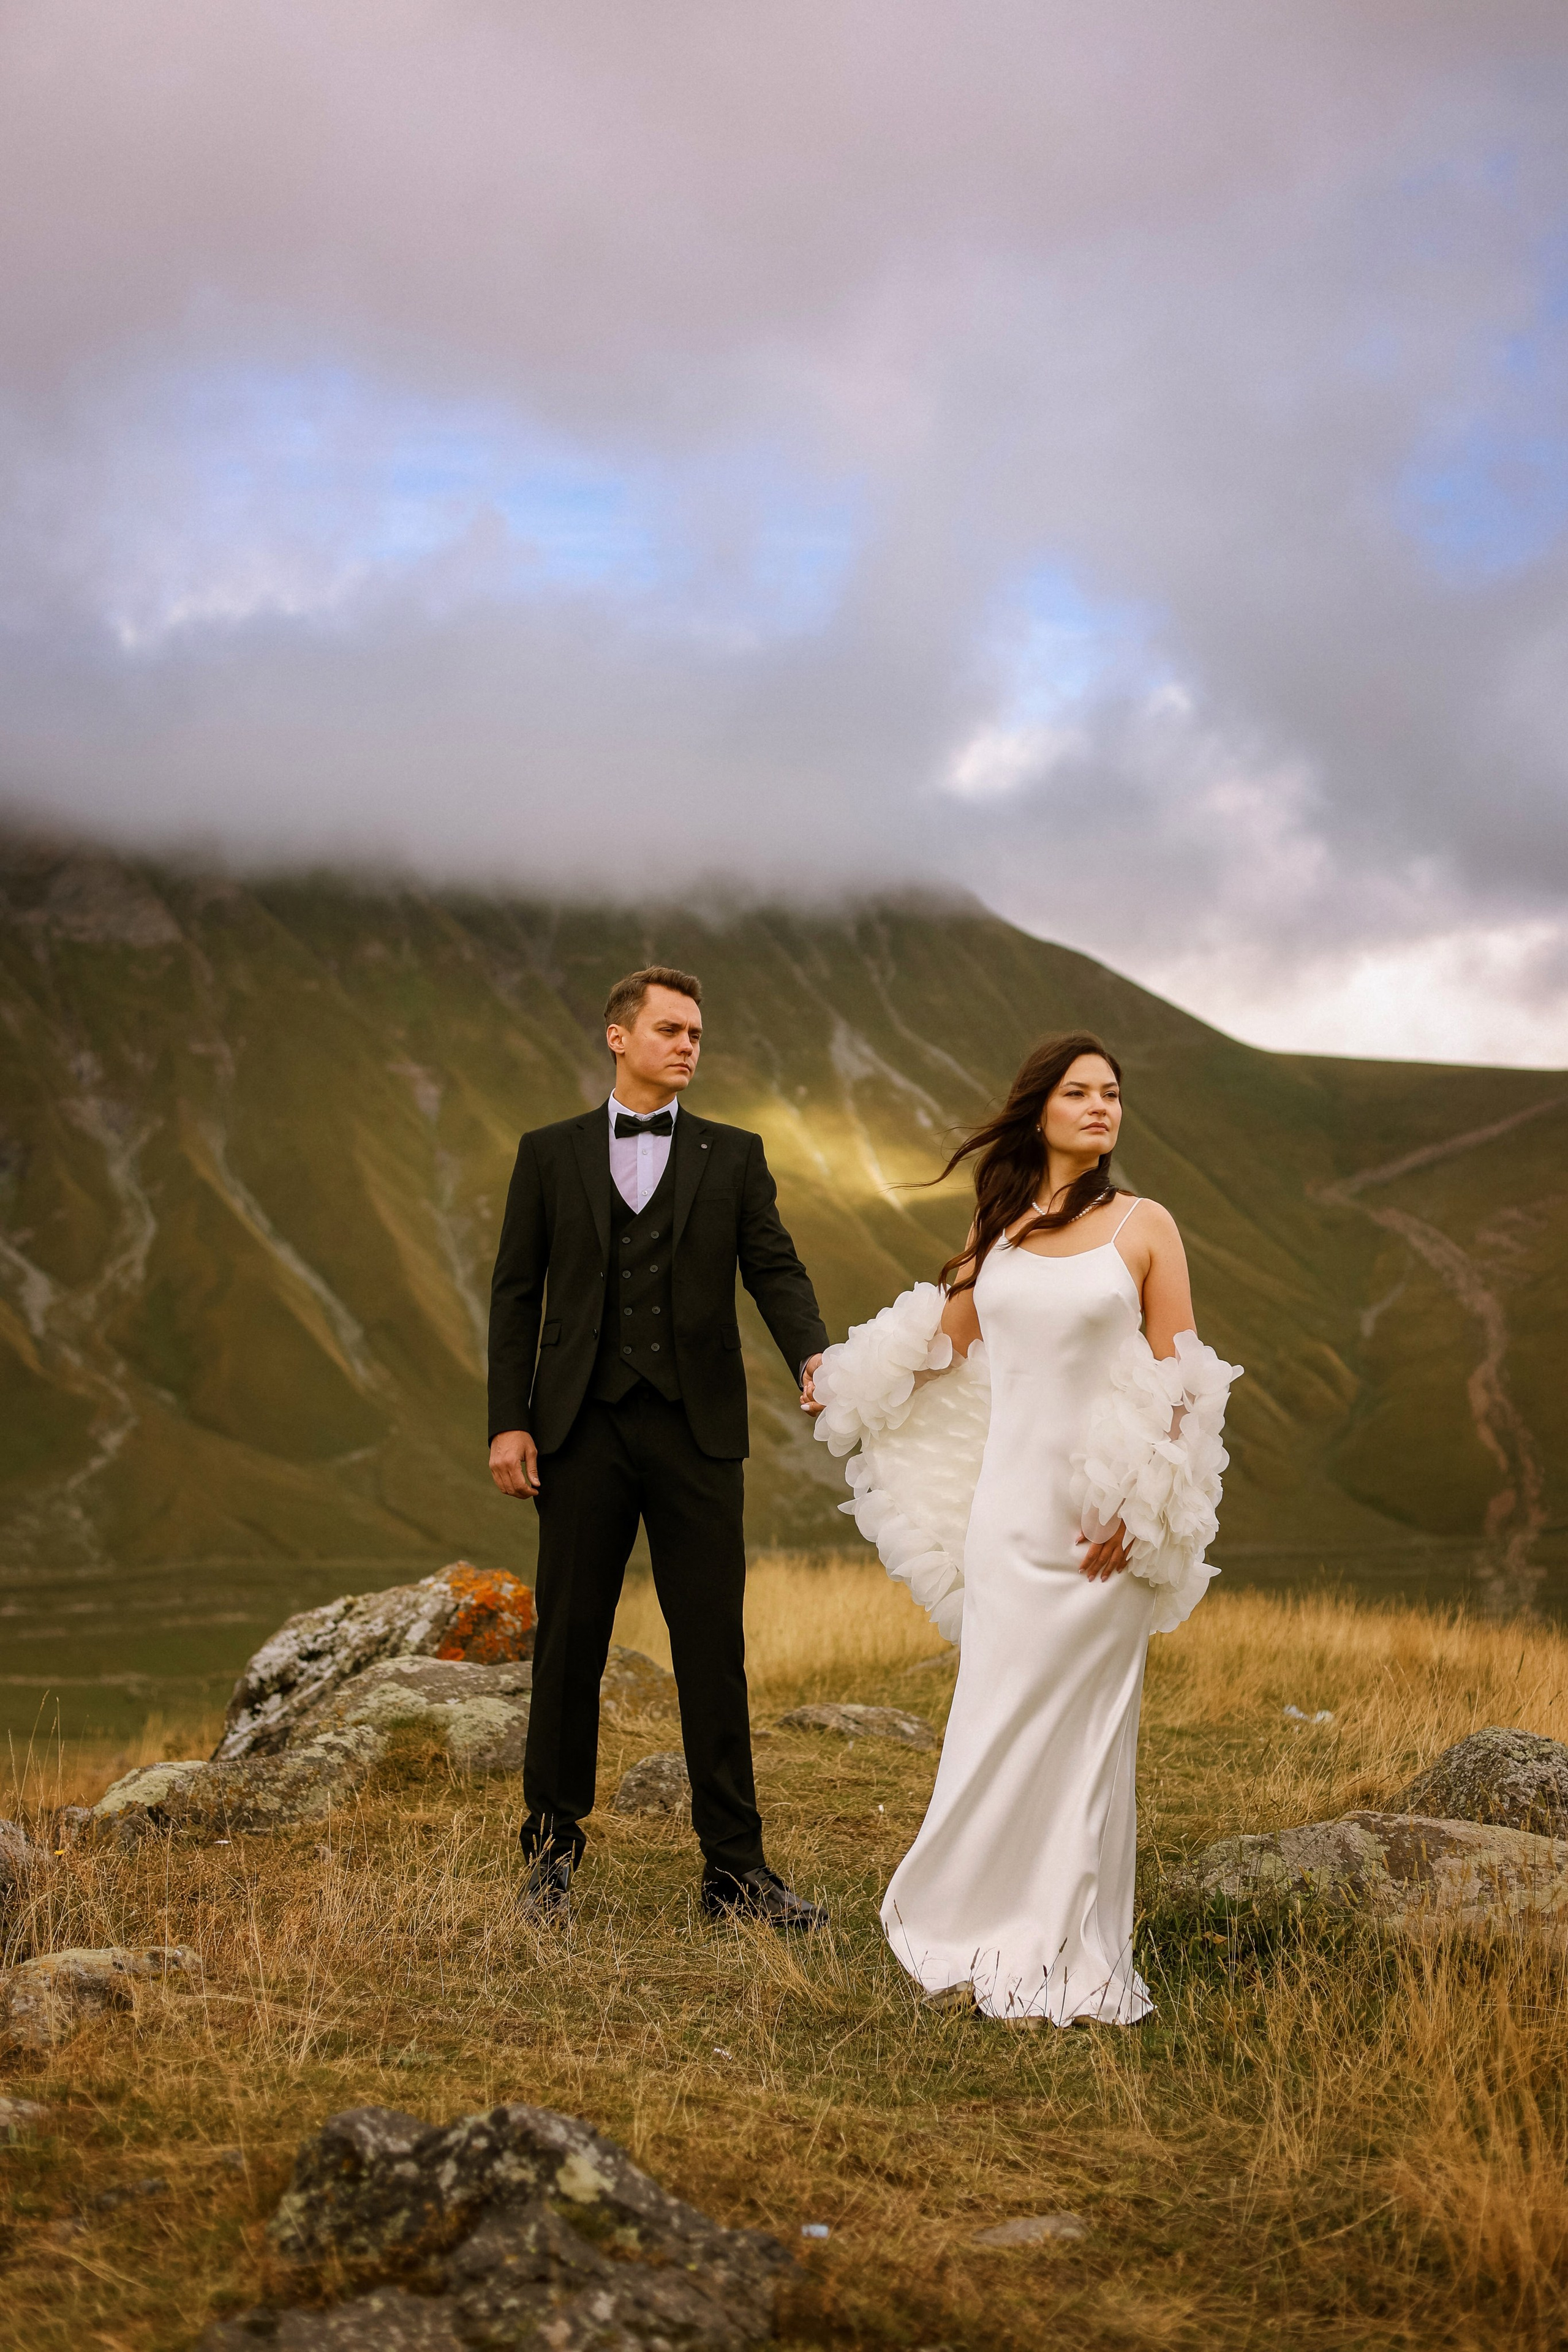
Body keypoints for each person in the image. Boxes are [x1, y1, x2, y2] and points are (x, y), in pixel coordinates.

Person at [809, 1031, 1241, 2023]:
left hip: (1100, 1527)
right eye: (1080, 1092)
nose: (1101, 1107)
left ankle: (1069, 1939)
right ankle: (967, 1914)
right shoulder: (996, 1224)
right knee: (993, 1723)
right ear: (1038, 1107)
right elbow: (942, 1349)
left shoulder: (1145, 1224)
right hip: (1006, 1523)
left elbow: (1185, 1381)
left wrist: (1145, 1505)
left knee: (1086, 1733)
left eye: (1114, 1094)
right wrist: (843, 1382)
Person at [488, 963, 830, 1928]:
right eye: (672, 1029)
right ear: (618, 1037)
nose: (688, 1045)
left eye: (697, 1033)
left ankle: (736, 1875)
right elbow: (517, 1295)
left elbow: (774, 1267)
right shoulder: (547, 1154)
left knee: (713, 1648)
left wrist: (813, 1355)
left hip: (698, 1433)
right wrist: (507, 1420)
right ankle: (550, 1860)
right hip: (579, 1431)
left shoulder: (735, 1155)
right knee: (568, 1647)